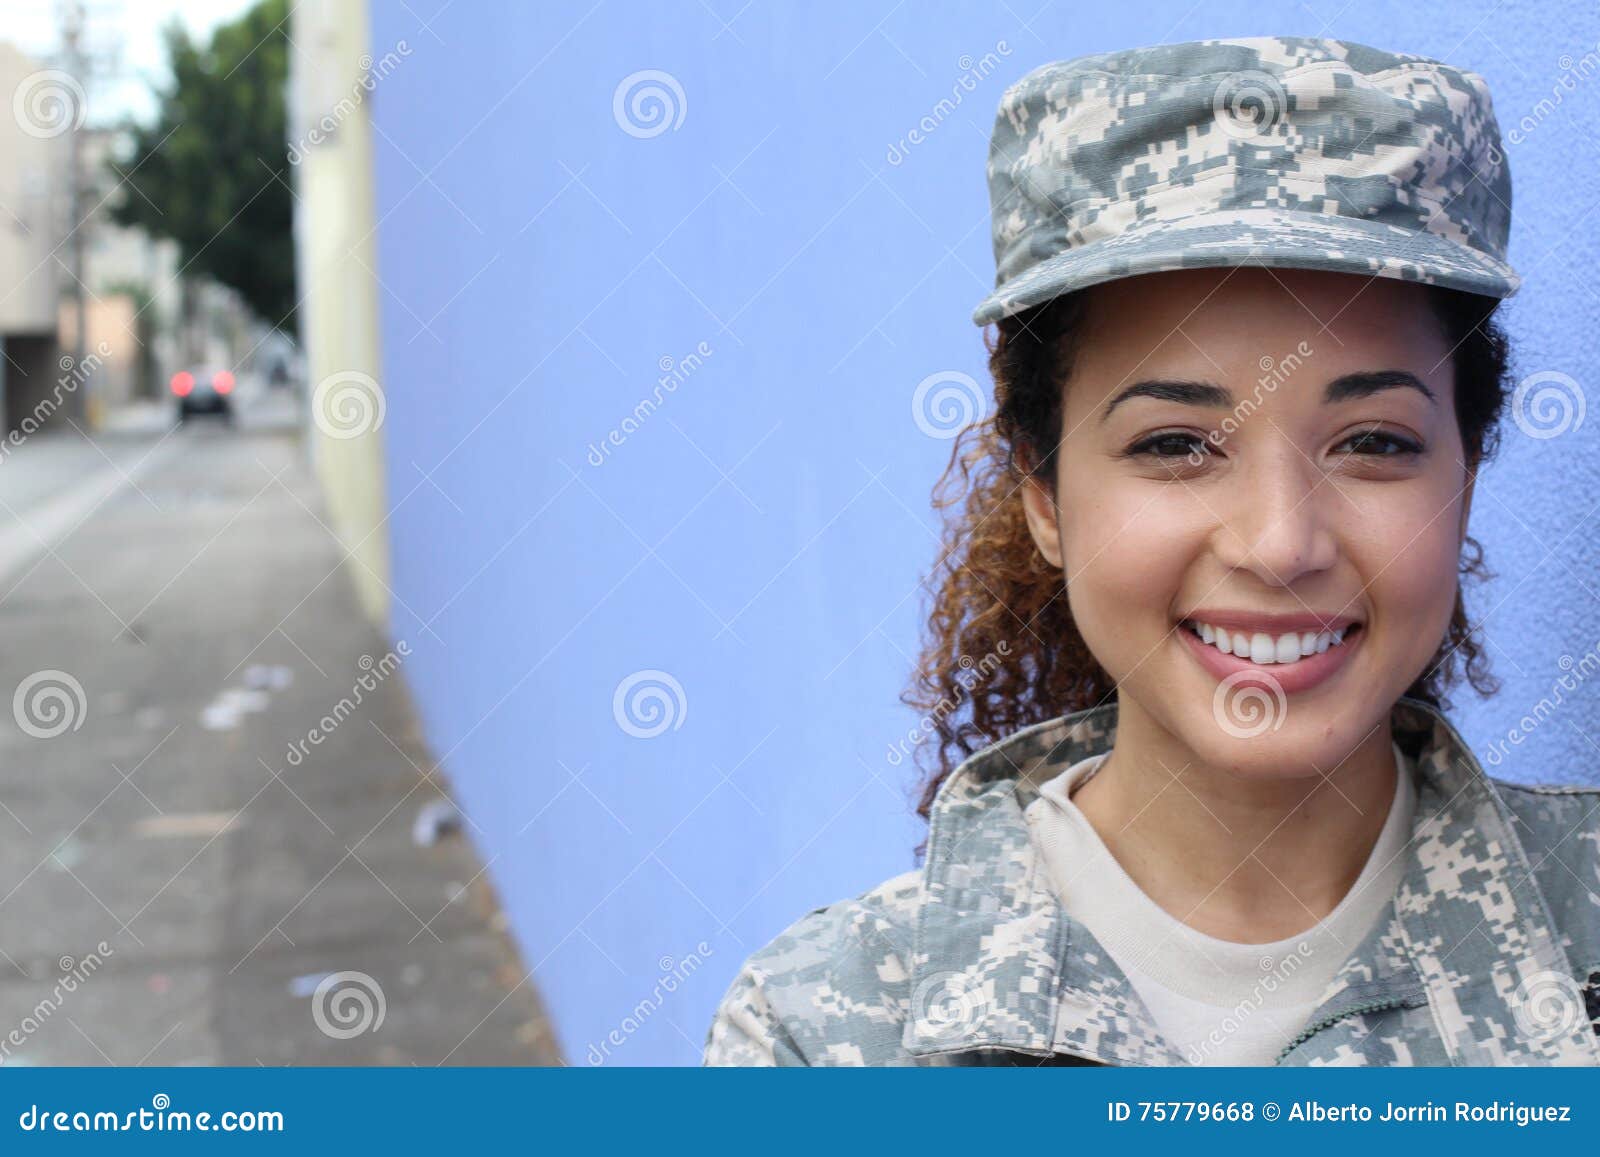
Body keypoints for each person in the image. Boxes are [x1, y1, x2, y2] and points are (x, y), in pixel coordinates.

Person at [702, 35, 1600, 1066]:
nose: (1279, 542)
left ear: (1465, 479)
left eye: (1373, 444)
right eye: (1174, 445)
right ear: (1041, 493)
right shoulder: (822, 1035)